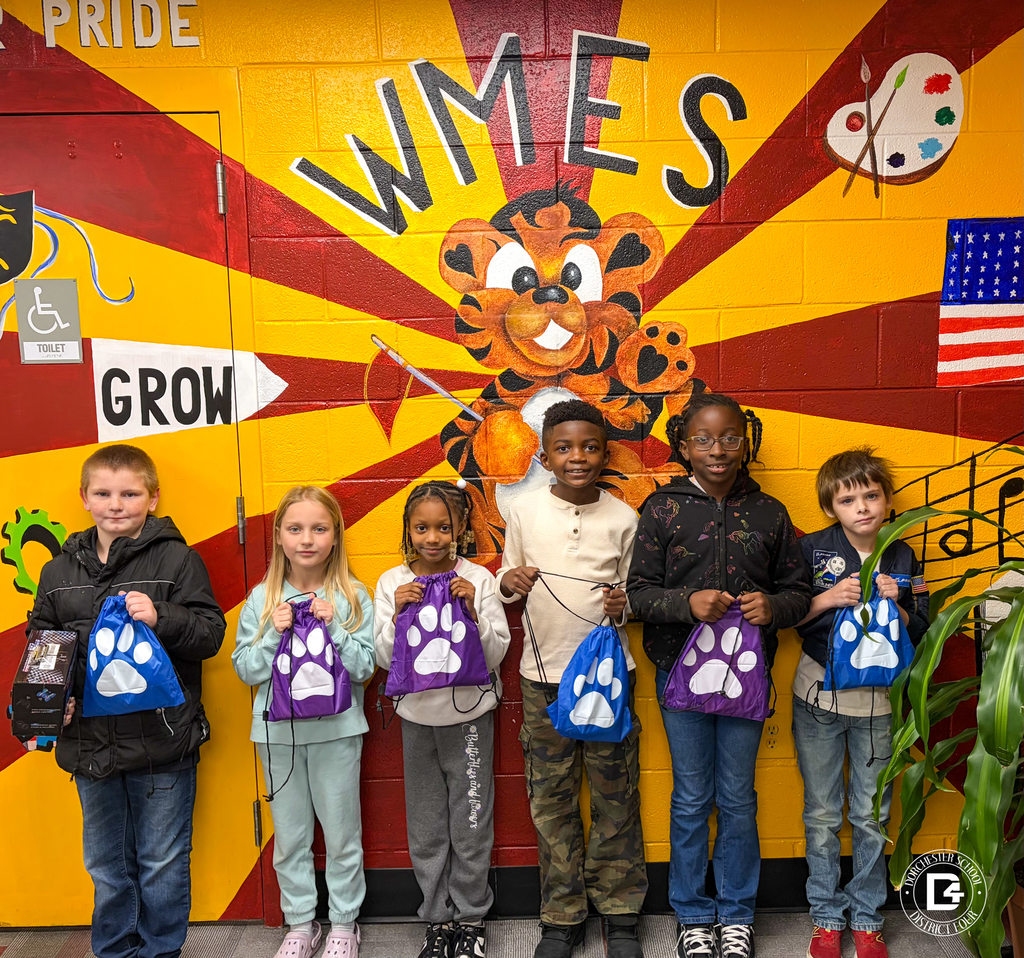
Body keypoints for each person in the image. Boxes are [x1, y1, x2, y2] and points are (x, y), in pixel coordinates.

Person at [627, 393, 812, 958]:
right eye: (704, 439)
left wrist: (773, 609)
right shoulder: (660, 510)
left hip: (746, 677)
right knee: (690, 798)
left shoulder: (770, 513)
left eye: (730, 437)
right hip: (679, 677)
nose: (718, 449)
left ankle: (735, 914)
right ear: (683, 445)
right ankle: (691, 915)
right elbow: (637, 596)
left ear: (746, 441)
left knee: (737, 797)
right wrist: (688, 603)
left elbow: (799, 592)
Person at [27, 444, 226, 958]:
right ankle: (114, 950)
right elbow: (44, 651)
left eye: (130, 493)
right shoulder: (56, 572)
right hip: (88, 746)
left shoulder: (178, 560)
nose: (117, 504)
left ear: (152, 498)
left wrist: (163, 617)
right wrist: (52, 706)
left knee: (161, 862)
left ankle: (161, 951)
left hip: (162, 742)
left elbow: (209, 635)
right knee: (107, 866)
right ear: (85, 498)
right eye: (104, 493)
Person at [498, 399, 646, 958]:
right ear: (545, 454)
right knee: (551, 798)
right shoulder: (524, 513)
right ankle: (562, 914)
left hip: (609, 679)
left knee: (614, 793)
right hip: (543, 678)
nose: (577, 457)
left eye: (589, 446)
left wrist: (623, 604)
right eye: (564, 447)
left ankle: (621, 911)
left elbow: (638, 594)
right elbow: (508, 587)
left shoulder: (623, 518)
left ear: (604, 453)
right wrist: (510, 579)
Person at [792, 450, 929, 958]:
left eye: (871, 496)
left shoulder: (902, 554)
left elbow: (923, 622)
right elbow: (786, 615)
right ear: (831, 508)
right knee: (823, 814)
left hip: (879, 708)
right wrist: (827, 599)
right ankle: (827, 916)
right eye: (848, 500)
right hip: (819, 699)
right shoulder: (811, 550)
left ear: (888, 502)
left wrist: (900, 602)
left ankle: (868, 916)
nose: (863, 507)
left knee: (872, 816)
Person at [233, 486, 375, 958]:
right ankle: (299, 922)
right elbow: (246, 670)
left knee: (341, 833)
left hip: (337, 733)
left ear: (335, 536)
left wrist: (334, 625)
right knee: (290, 836)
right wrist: (273, 634)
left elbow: (364, 669)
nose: (306, 539)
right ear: (278, 537)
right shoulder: (262, 598)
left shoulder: (353, 595)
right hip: (277, 737)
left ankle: (343, 923)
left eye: (319, 528)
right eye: (295, 529)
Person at [374, 480, 511, 958]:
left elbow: (494, 655)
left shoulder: (480, 579)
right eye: (421, 528)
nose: (432, 538)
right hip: (417, 720)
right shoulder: (392, 582)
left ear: (460, 531)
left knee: (471, 819)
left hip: (471, 717)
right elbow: (384, 659)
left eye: (443, 527)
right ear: (408, 531)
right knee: (427, 824)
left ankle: (471, 918)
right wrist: (397, 616)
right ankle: (437, 919)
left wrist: (472, 609)